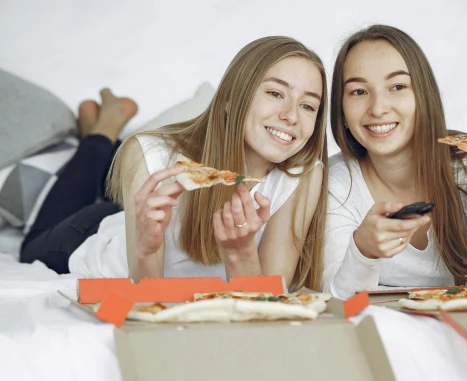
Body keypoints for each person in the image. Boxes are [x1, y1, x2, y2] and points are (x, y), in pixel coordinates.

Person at [31, 36, 328, 291]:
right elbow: (148, 299)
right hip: (91, 232)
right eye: (276, 93)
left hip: (134, 208)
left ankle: (103, 128)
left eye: (308, 105)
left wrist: (241, 252)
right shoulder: (148, 153)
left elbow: (267, 303)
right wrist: (147, 248)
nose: (292, 116)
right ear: (228, 99)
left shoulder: (303, 175)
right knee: (30, 244)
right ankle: (102, 130)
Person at [322, 25, 467, 297]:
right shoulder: (336, 183)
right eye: (359, 92)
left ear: (423, 95)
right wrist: (363, 251)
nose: (377, 108)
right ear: (340, 107)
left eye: (397, 86)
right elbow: (338, 303)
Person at [19, 89, 137, 273]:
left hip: (125, 216)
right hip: (122, 223)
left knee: (32, 250)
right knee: (33, 249)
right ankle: (102, 132)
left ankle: (100, 133)